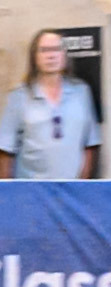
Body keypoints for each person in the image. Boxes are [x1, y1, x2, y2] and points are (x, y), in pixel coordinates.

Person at [0, 30, 102, 180]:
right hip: (32, 192)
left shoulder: (81, 93)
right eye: (44, 50)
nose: (51, 56)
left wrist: (81, 185)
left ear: (64, 55)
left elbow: (90, 145)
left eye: (56, 49)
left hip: (71, 191)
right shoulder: (19, 97)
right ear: (34, 57)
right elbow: (5, 151)